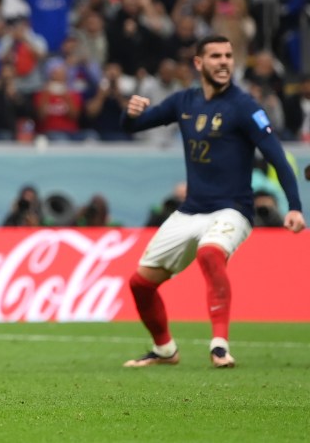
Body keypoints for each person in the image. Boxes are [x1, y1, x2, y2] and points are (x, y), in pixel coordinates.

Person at [120, 36, 305, 369]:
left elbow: (277, 156)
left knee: (210, 253)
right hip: (191, 210)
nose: (223, 62)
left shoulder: (245, 106)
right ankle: (164, 350)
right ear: (198, 63)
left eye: (229, 56)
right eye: (215, 56)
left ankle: (219, 345)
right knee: (140, 283)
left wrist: (294, 206)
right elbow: (135, 126)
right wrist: (130, 114)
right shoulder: (184, 102)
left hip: (233, 209)